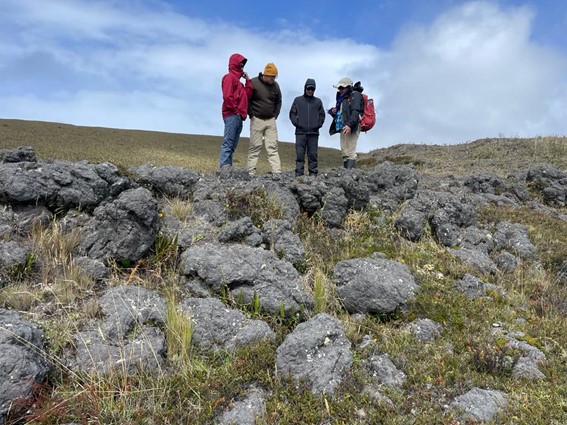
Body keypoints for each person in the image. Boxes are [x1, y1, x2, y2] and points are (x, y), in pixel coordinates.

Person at [247, 62, 282, 177]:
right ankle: (250, 172)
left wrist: (275, 116)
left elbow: (278, 101)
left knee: (272, 147)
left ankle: (277, 172)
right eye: (272, 77)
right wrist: (251, 115)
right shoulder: (254, 83)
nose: (273, 79)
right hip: (257, 119)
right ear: (266, 74)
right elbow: (247, 100)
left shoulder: (276, 86)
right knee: (255, 146)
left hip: (270, 121)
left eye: (275, 77)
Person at [219, 53, 253, 169]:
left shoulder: (240, 83)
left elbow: (248, 94)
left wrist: (248, 80)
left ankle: (228, 167)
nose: (242, 67)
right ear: (235, 64)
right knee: (228, 143)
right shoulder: (229, 77)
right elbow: (227, 96)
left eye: (243, 65)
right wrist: (235, 110)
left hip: (239, 117)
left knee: (232, 145)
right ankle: (224, 167)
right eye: (240, 64)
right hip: (232, 115)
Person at [289, 78, 325, 177]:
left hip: (313, 133)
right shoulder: (297, 100)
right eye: (308, 89)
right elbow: (292, 113)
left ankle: (313, 175)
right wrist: (297, 123)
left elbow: (322, 115)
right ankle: (299, 175)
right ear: (305, 88)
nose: (310, 91)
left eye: (312, 89)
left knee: (313, 155)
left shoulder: (318, 102)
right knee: (300, 155)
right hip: (300, 132)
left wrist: (318, 125)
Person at [328, 77, 364, 168]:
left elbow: (355, 111)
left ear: (348, 87)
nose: (340, 90)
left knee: (350, 150)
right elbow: (342, 113)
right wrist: (334, 112)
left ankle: (349, 174)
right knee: (344, 151)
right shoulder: (342, 98)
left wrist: (349, 125)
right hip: (343, 127)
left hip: (351, 126)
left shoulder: (355, 95)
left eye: (342, 88)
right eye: (339, 88)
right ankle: (346, 173)